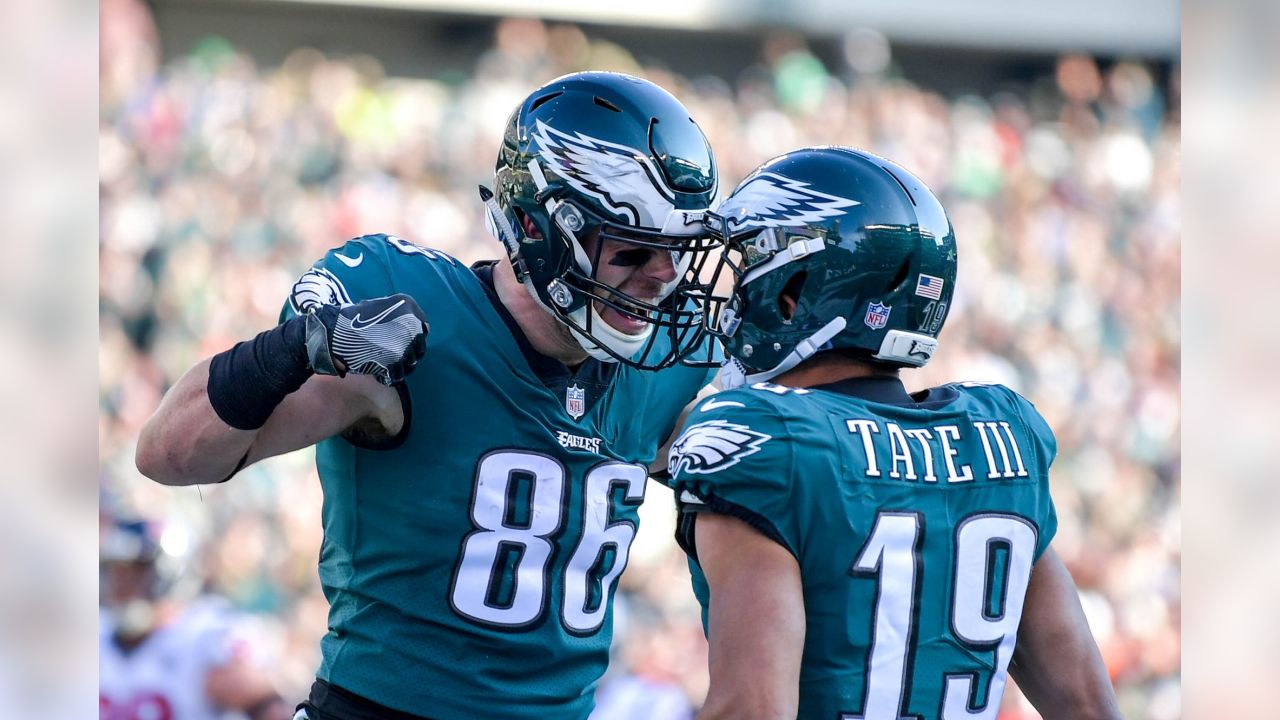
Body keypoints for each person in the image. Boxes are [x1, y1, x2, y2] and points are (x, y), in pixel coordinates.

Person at [135, 71, 721, 720]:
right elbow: (169, 453)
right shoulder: (418, 319)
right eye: (636, 250)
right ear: (536, 226)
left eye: (677, 253)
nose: (662, 279)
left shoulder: (668, 368)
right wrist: (297, 347)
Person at [663, 146, 1122, 720]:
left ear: (791, 294)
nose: (729, 298)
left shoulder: (764, 439)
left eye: (747, 269)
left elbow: (751, 709)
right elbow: (1088, 707)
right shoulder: (1002, 439)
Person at [99, 515, 290, 720]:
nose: (123, 587)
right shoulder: (93, 634)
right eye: (117, 574)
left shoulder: (202, 636)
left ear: (170, 574)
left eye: (135, 574)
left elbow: (268, 707)